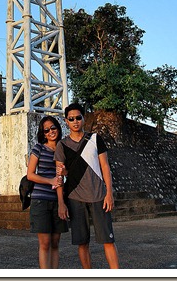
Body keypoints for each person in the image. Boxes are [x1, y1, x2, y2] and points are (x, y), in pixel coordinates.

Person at [54, 103, 120, 269]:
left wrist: (109, 193)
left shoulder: (95, 139)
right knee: (82, 243)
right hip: (75, 198)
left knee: (108, 240)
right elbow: (59, 176)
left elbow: (105, 167)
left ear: (84, 119)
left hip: (99, 196)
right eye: (71, 119)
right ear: (66, 121)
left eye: (78, 117)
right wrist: (61, 203)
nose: (75, 121)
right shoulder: (62, 145)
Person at [27, 116, 69, 268]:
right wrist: (50, 181)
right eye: (46, 130)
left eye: (53, 128)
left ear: (58, 128)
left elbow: (66, 174)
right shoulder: (38, 148)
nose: (51, 131)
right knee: (45, 243)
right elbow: (30, 174)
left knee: (55, 242)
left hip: (57, 200)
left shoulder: (63, 149)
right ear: (43, 133)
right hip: (40, 200)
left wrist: (62, 203)